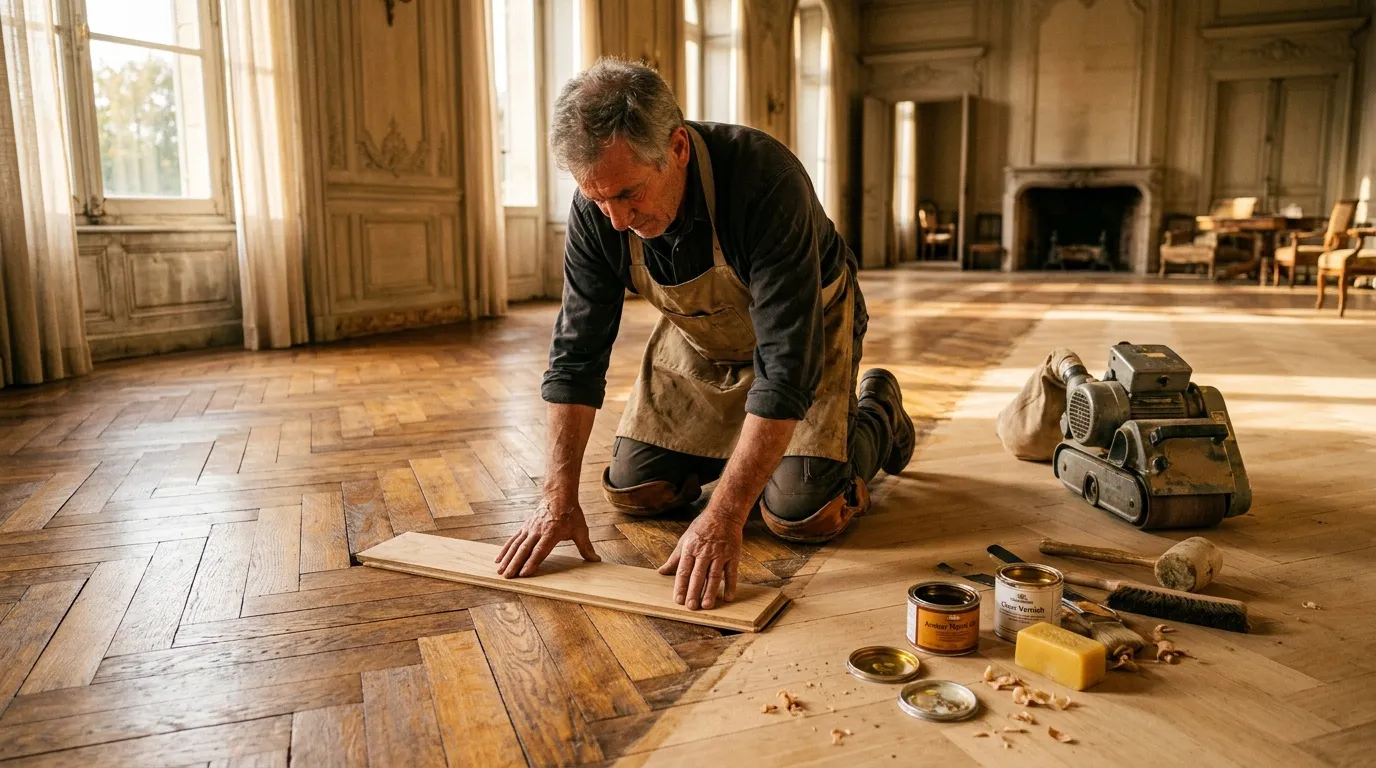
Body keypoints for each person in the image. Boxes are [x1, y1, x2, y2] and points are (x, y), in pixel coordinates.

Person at [495, 58, 914, 612]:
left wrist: (724, 515)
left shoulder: (765, 180)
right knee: (633, 489)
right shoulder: (599, 209)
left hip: (811, 322)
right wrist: (556, 498)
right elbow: (576, 357)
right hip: (703, 340)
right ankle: (761, 457)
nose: (616, 219)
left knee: (802, 513)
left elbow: (784, 369)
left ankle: (877, 413)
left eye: (628, 194)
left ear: (678, 149)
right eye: (598, 199)